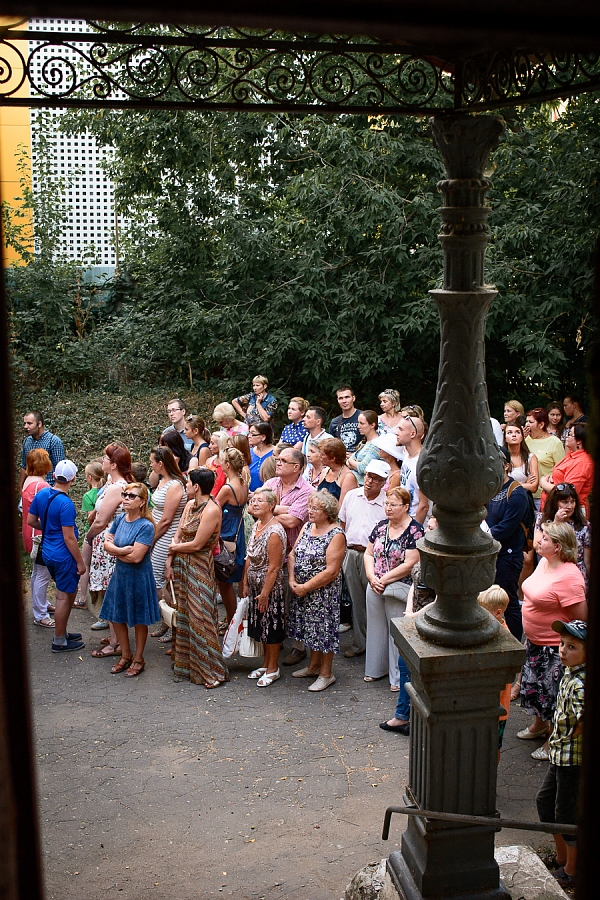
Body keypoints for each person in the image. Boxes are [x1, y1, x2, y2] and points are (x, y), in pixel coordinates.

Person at [518, 522, 586, 761]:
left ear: (557, 547)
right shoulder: (544, 563)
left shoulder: (570, 576)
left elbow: (581, 619)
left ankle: (552, 742)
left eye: (545, 538)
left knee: (554, 697)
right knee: (536, 691)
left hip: (554, 650)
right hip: (535, 643)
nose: (539, 540)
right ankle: (539, 726)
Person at [165, 468, 228, 689]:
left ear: (197, 486)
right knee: (185, 614)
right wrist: (169, 561)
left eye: (188, 483)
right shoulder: (190, 505)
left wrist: (173, 548)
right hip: (182, 564)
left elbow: (197, 545)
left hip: (199, 565)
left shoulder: (211, 509)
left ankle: (212, 671)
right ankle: (188, 667)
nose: (186, 486)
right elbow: (179, 534)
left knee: (200, 615)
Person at [536, 619, 586, 890]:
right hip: (559, 754)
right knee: (545, 803)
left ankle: (572, 870)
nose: (563, 650)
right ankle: (561, 857)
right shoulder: (569, 672)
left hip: (572, 760)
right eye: (562, 644)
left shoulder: (580, 683)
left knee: (566, 814)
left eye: (572, 646)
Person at [364, 485, 423, 694]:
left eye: (393, 505)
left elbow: (410, 563)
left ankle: (397, 677)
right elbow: (368, 553)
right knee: (375, 627)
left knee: (396, 631)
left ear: (406, 506)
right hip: (376, 583)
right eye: (386, 503)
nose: (388, 508)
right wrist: (371, 577)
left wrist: (384, 579)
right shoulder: (381, 526)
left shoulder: (415, 530)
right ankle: (375, 669)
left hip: (399, 587)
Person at [99, 484, 160, 677]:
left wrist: (114, 551)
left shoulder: (146, 526)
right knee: (116, 615)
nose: (126, 498)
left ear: (142, 502)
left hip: (139, 577)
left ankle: (138, 658)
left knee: (140, 619)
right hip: (120, 575)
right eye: (124, 494)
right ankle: (125, 655)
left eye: (131, 496)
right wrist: (121, 551)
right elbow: (106, 544)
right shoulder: (119, 519)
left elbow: (136, 558)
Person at [287, 492, 346, 691]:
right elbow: (293, 554)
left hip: (323, 593)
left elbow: (332, 571)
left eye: (315, 509)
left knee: (324, 630)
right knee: (310, 629)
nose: (310, 511)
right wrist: (292, 579)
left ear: (327, 512)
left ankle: (326, 673)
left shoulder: (336, 534)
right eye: (309, 507)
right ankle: (313, 666)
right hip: (302, 590)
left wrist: (306, 587)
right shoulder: (307, 527)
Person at [263, 448, 315, 667]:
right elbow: (255, 508)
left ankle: (299, 647)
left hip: (294, 554)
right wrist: (284, 509)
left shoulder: (307, 490)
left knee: (295, 601)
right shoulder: (271, 484)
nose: (278, 462)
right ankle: (276, 638)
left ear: (297, 467)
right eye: (278, 459)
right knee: (274, 598)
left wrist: (270, 509)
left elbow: (294, 521)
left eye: (283, 460)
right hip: (270, 553)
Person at [27, 460, 86, 653]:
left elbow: (31, 520)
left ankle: (63, 632)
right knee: (63, 597)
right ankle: (59, 640)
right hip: (63, 555)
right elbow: (69, 538)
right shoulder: (66, 504)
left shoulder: (42, 494)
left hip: (47, 552)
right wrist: (80, 562)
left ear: (53, 475)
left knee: (66, 592)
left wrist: (49, 528)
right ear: (73, 479)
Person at [338, 460, 389, 659]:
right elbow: (342, 524)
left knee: (375, 601)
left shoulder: (386, 503)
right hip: (351, 552)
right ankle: (360, 643)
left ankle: (377, 646)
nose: (369, 481)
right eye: (368, 476)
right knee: (356, 600)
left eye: (375, 479)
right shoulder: (352, 496)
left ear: (383, 482)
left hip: (374, 558)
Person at [85, 444, 134, 644]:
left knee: (111, 592)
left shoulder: (116, 488)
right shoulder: (115, 483)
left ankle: (116, 642)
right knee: (111, 591)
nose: (102, 461)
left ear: (113, 465)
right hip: (112, 539)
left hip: (108, 540)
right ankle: (115, 637)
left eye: (105, 458)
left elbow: (100, 521)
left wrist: (88, 537)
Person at [243, 488, 287, 687]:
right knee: (261, 625)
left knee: (271, 626)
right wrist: (245, 582)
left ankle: (273, 668)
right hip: (254, 583)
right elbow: (249, 556)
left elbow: (274, 567)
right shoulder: (257, 525)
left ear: (271, 505)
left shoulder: (275, 531)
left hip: (270, 587)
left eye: (260, 501)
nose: (254, 503)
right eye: (253, 500)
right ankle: (265, 663)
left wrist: (264, 594)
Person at [485, 446, 530, 639]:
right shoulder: (489, 489)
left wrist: (482, 535)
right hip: (491, 553)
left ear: (506, 466)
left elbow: (505, 528)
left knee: (508, 602)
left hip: (508, 557)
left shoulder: (516, 493)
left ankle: (515, 644)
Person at [149, 446, 187, 642]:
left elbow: (166, 520)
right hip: (157, 532)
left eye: (152, 462)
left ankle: (174, 625)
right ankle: (167, 622)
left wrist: (151, 540)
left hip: (165, 536)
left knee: (160, 582)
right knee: (158, 581)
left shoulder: (175, 485)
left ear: (161, 463)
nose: (150, 465)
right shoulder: (162, 480)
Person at [535, 483, 591, 591]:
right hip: (551, 572)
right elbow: (537, 546)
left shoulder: (584, 526)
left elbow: (587, 561)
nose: (570, 506)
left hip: (575, 576)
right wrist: (556, 523)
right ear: (555, 502)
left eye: (573, 501)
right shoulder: (543, 519)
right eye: (565, 502)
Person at [478, 585, 512, 758]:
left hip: (496, 705)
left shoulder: (502, 638)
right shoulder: (490, 629)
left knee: (493, 746)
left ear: (498, 612)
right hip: (488, 702)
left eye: (483, 611)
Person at [215, 447, 249, 621]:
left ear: (227, 465)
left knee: (225, 582)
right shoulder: (243, 483)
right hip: (238, 531)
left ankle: (231, 620)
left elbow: (214, 508)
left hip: (227, 532)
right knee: (232, 578)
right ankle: (234, 619)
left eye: (222, 461)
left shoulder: (228, 488)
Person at [21, 449, 53, 627]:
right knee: (43, 574)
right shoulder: (42, 486)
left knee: (36, 572)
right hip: (40, 533)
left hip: (29, 531)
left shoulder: (28, 481)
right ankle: (40, 614)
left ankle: (41, 604)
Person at [540, 423, 594, 516]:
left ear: (579, 441)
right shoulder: (571, 455)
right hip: (556, 508)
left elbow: (568, 492)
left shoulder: (582, 462)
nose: (566, 437)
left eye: (570, 434)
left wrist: (544, 483)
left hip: (569, 513)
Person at [525, 408, 565, 510]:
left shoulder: (555, 442)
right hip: (525, 492)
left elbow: (561, 471)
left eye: (530, 422)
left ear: (541, 425)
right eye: (526, 421)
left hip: (544, 495)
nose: (527, 425)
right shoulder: (525, 440)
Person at [395, 414, 429, 523]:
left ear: (413, 434)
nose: (396, 432)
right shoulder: (407, 456)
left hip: (417, 524)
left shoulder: (422, 463)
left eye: (401, 429)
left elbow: (424, 505)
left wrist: (415, 530)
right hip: (404, 520)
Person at [19, 409, 65, 488]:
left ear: (39, 424)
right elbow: (24, 466)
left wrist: (56, 490)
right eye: (25, 423)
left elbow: (60, 468)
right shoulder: (27, 441)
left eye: (29, 423)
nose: (25, 426)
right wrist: (21, 487)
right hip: (30, 487)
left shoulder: (53, 441)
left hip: (49, 488)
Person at [344, 411, 381, 489]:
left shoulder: (376, 445)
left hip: (363, 485)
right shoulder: (363, 443)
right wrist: (354, 463)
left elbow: (363, 468)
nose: (358, 426)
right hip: (353, 482)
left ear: (372, 425)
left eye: (362, 423)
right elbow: (348, 463)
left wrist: (351, 460)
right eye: (358, 423)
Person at [504, 423, 539, 494]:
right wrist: (525, 484)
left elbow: (534, 487)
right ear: (505, 438)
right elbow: (499, 486)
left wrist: (509, 486)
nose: (514, 435)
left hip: (524, 498)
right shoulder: (501, 457)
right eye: (509, 432)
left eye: (517, 432)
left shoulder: (531, 457)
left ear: (522, 437)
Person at [329, 386, 362, 453]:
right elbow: (331, 446)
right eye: (341, 398)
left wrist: (355, 456)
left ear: (353, 398)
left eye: (347, 397)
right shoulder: (335, 422)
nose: (344, 401)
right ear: (337, 400)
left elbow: (372, 440)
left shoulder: (363, 417)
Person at [248, 422, 275, 491]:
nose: (249, 436)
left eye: (252, 434)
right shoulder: (249, 452)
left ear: (263, 437)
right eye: (249, 433)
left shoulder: (275, 453)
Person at [206, 432, 229, 496]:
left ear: (221, 445)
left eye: (212, 443)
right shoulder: (209, 461)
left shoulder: (228, 465)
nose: (209, 446)